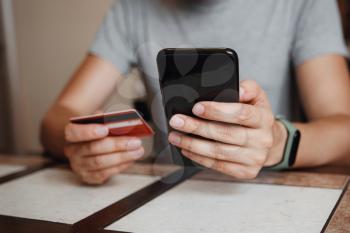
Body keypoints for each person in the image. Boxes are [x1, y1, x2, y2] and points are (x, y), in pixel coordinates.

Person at [41, 0, 350, 185]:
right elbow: (57, 118)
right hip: (166, 193)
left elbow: (345, 130)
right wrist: (77, 145)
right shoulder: (133, 7)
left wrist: (278, 144)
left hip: (270, 194)